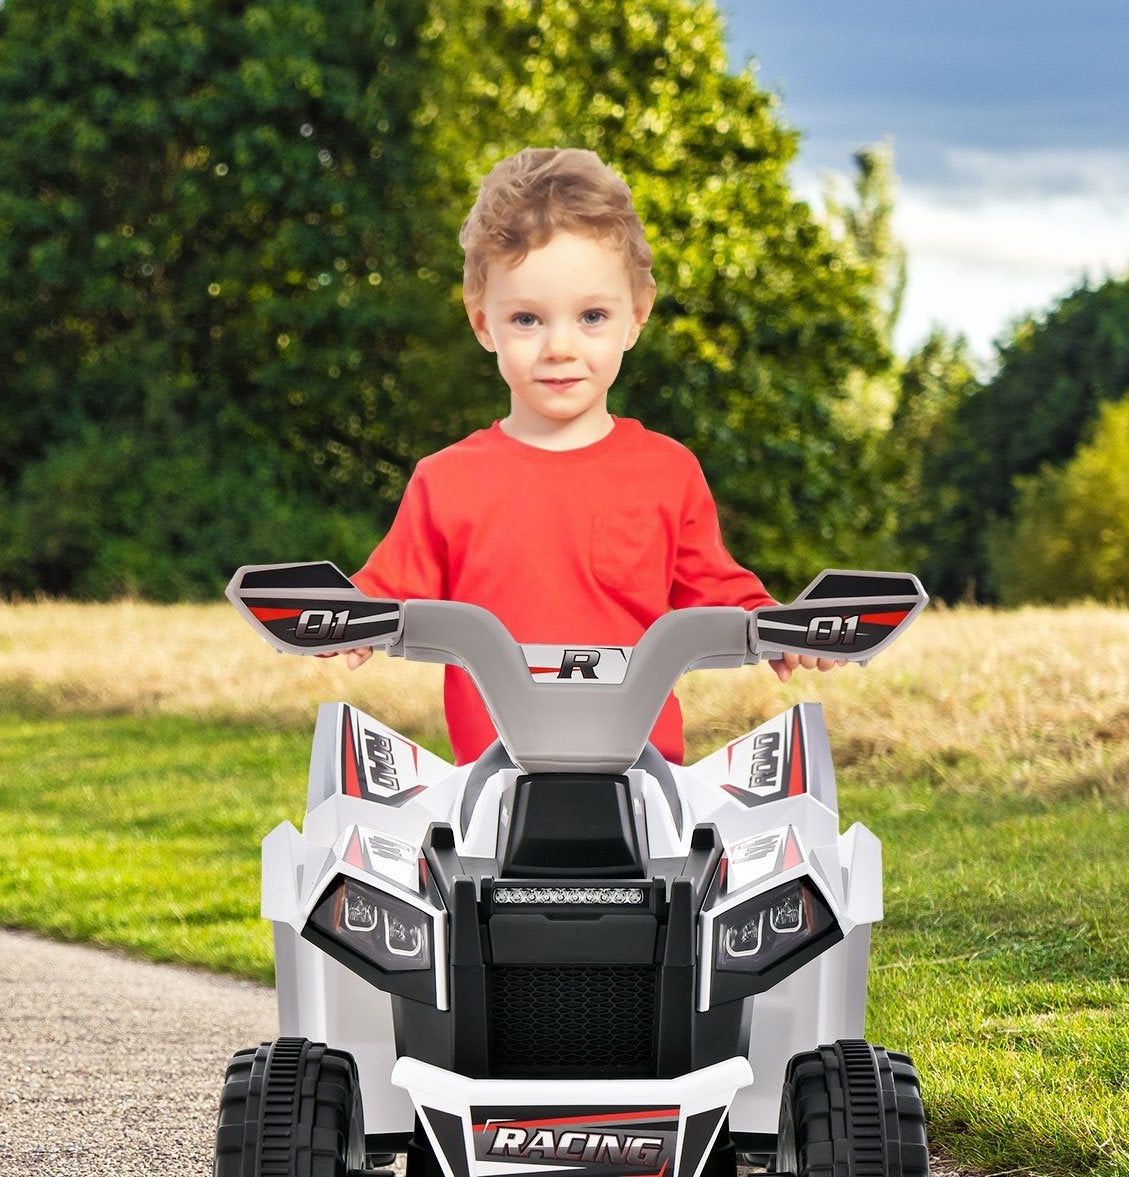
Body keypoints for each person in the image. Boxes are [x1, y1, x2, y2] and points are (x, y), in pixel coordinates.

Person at [336, 146, 834, 766]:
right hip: (492, 792)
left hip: (646, 786)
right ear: (482, 323)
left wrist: (775, 629)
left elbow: (720, 591)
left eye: (592, 316)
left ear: (637, 316)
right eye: (527, 319)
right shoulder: (446, 481)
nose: (560, 347)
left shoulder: (667, 472)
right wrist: (348, 622)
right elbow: (385, 591)